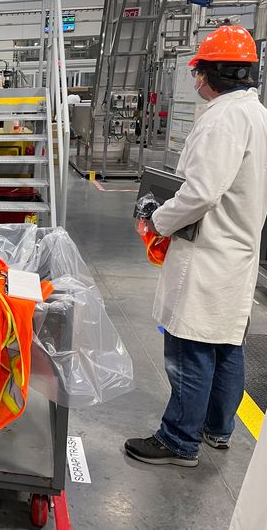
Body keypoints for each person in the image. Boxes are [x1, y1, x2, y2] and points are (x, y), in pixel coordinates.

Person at [124, 25, 267, 467]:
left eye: (199, 71)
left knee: (189, 346)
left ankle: (178, 439)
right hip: (237, 246)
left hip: (209, 251)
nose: (196, 80)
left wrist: (158, 221)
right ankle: (217, 429)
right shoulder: (256, 114)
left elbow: (201, 192)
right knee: (226, 343)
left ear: (213, 72)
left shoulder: (224, 118)